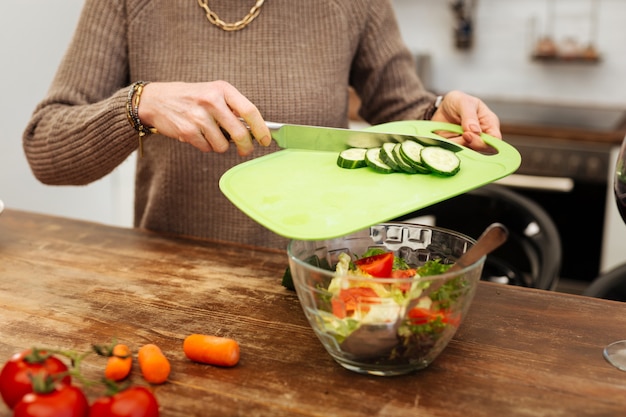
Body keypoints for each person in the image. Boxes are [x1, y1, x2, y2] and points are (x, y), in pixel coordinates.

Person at [23, 0, 501, 250]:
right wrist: (139, 104)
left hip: (317, 284)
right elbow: (45, 147)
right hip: (169, 285)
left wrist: (437, 117)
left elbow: (406, 112)